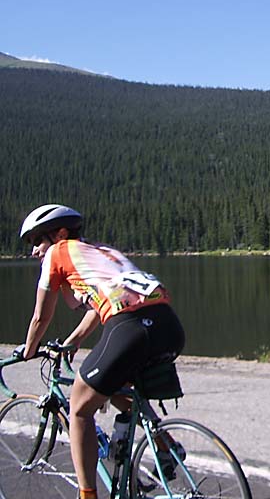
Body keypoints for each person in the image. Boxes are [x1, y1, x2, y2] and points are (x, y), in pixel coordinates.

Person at [16, 204, 185, 499]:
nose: (34, 251)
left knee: (79, 408)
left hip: (131, 328)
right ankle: (164, 444)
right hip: (170, 326)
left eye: (37, 241)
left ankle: (87, 494)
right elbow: (101, 304)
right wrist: (75, 339)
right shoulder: (102, 252)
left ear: (60, 234)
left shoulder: (58, 253)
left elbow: (41, 317)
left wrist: (29, 350)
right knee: (117, 386)